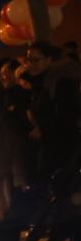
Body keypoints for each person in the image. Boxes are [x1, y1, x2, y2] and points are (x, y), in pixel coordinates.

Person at [21, 41, 81, 181]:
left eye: (35, 60)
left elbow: (67, 115)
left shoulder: (61, 82)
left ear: (49, 60)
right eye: (28, 60)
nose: (30, 64)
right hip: (48, 147)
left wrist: (43, 129)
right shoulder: (39, 83)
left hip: (63, 149)